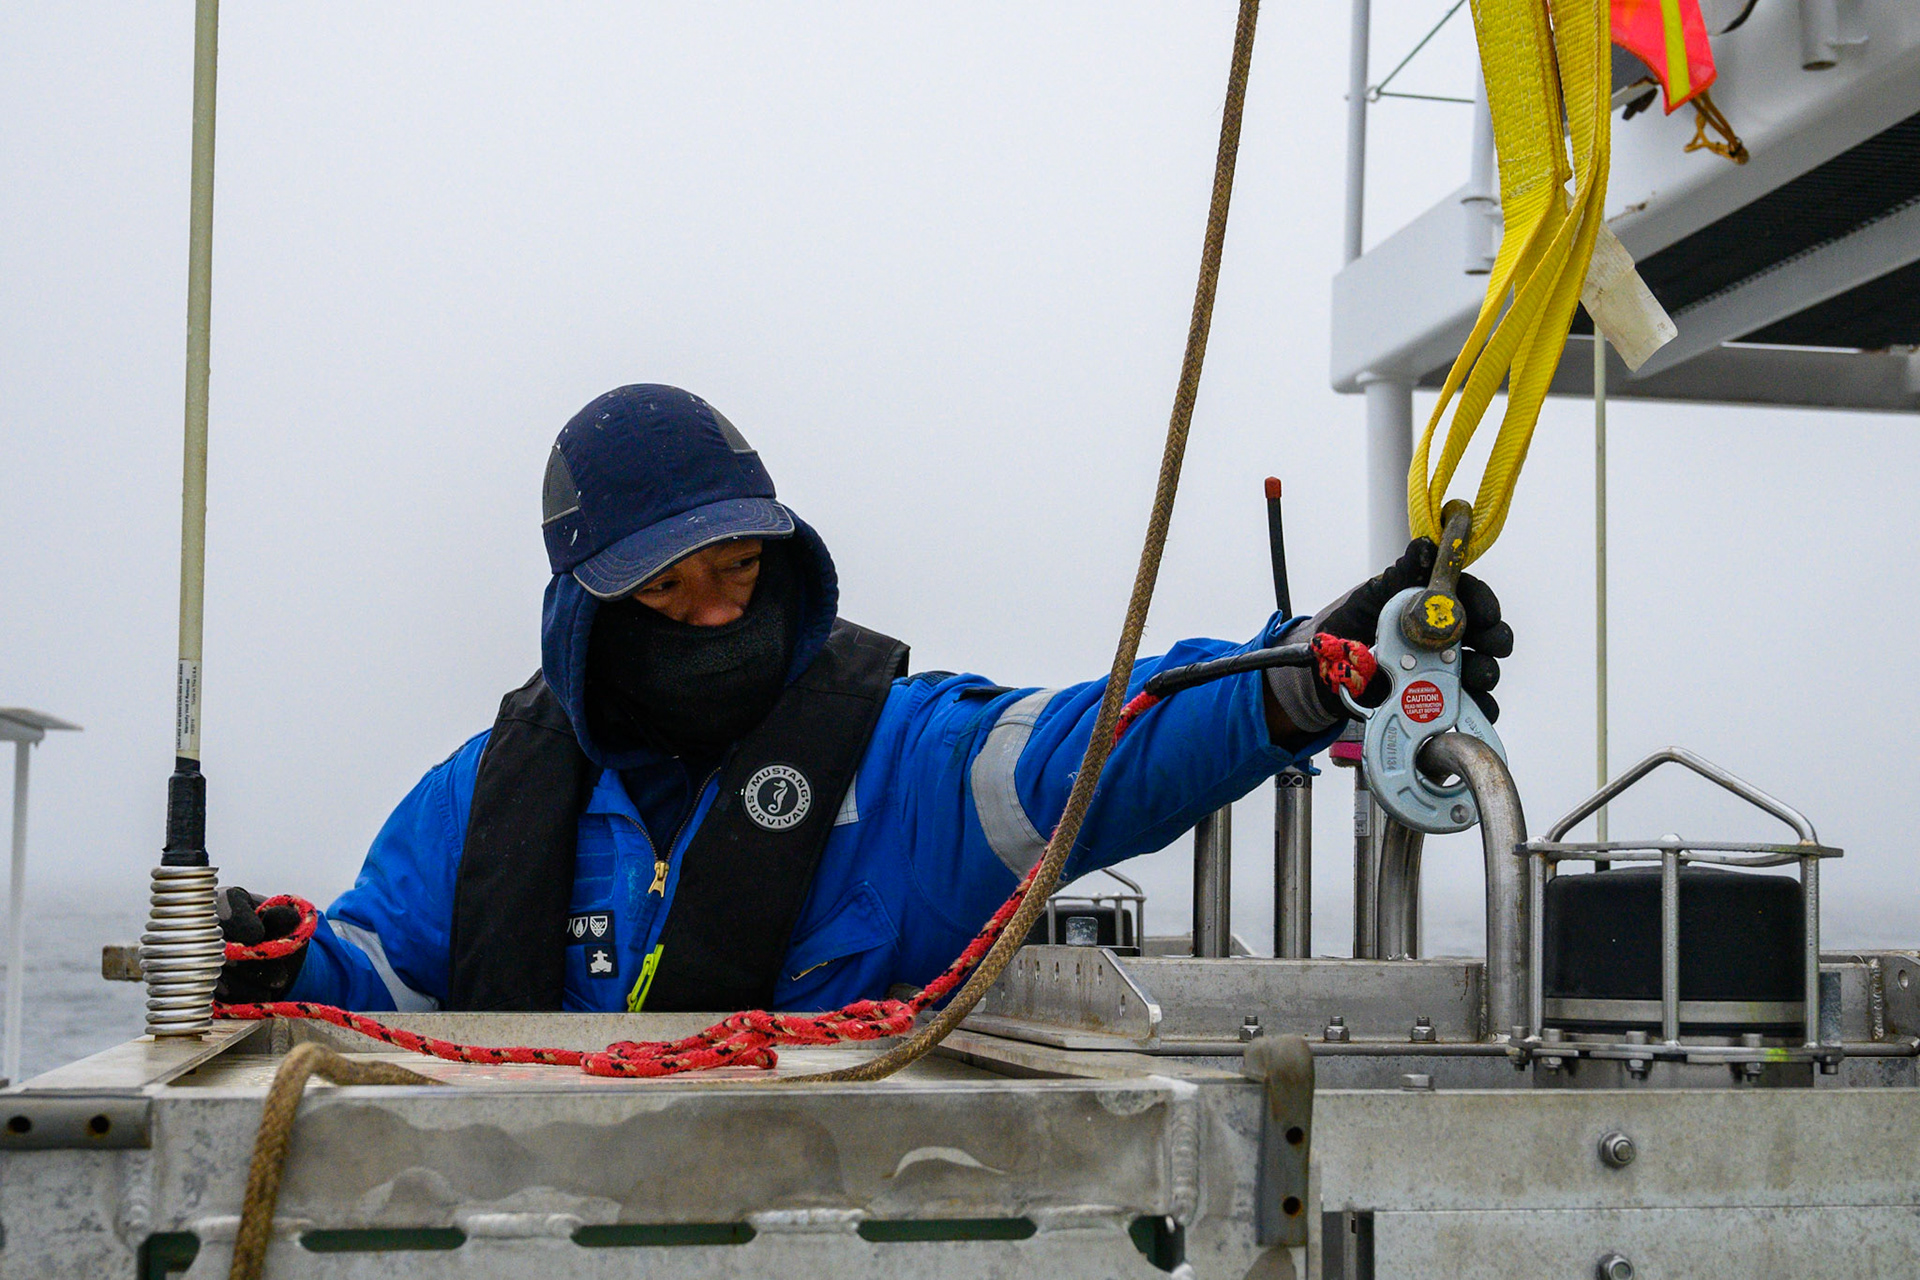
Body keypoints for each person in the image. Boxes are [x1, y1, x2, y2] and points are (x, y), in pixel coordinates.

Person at [215, 384, 1511, 1013]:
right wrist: (270, 963)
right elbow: (381, 972)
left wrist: (1301, 673)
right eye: (671, 588)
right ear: (586, 613)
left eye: (740, 568)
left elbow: (1106, 743)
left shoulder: (913, 761)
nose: (720, 610)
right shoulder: (477, 799)